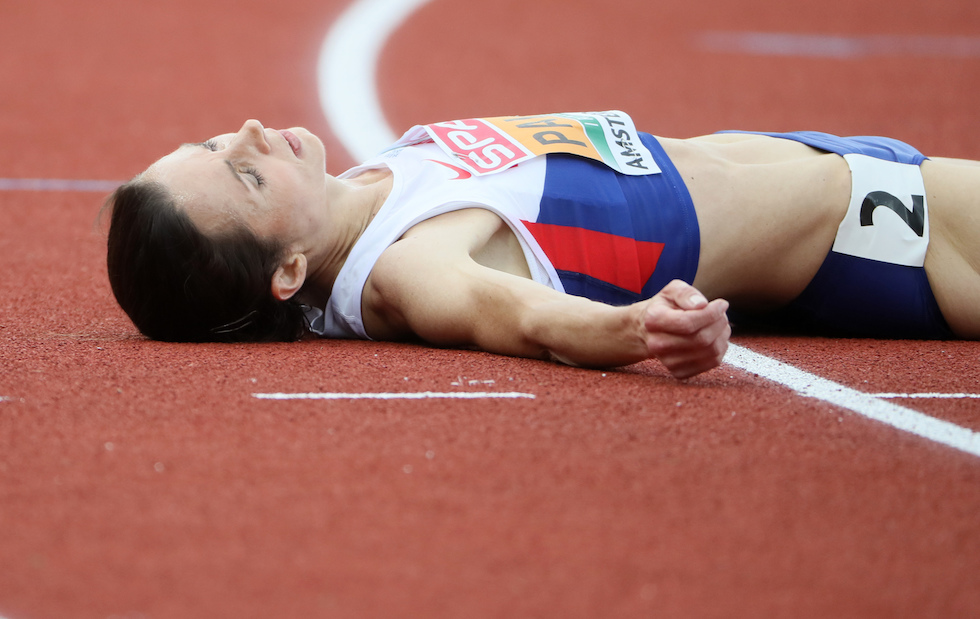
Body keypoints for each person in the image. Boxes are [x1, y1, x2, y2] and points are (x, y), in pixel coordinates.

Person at [104, 111, 980, 379]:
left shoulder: (371, 185)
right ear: (289, 272)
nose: (250, 135)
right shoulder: (408, 263)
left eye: (217, 146)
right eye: (246, 179)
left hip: (845, 167)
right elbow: (521, 315)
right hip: (895, 239)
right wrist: (639, 328)